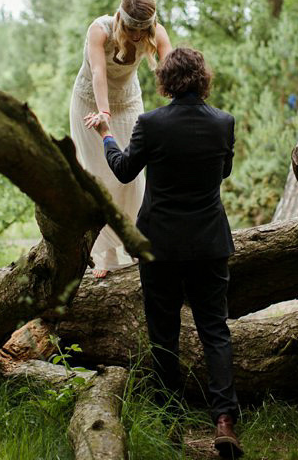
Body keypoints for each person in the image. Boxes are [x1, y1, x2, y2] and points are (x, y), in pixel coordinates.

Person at [86, 48, 243, 458]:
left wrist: (106, 133)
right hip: (209, 242)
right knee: (215, 330)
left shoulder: (150, 123)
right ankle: (224, 419)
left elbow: (123, 169)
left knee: (164, 334)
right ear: (203, 79)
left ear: (166, 82)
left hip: (160, 245)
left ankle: (170, 418)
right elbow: (223, 172)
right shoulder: (223, 123)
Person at [70, 0, 172, 278]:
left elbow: (172, 70)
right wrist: (103, 113)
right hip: (90, 102)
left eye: (144, 30)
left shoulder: (157, 33)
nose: (139, 37)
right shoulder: (99, 31)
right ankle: (106, 254)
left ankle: (133, 243)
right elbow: (99, 73)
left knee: (131, 176)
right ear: (121, 21)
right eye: (132, 30)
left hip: (128, 102)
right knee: (98, 174)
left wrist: (182, 109)